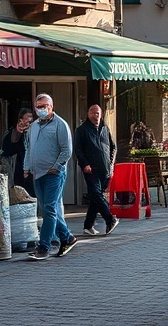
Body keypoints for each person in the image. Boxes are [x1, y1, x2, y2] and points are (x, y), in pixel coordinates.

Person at [23, 93, 78, 260]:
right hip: (37, 174)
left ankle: (44, 246)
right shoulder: (33, 127)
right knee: (48, 209)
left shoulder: (60, 125)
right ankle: (67, 238)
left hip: (54, 174)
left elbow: (66, 151)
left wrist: (56, 167)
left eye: (44, 106)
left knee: (49, 210)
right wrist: (26, 167)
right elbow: (29, 149)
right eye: (38, 106)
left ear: (51, 107)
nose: (41, 109)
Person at [74, 103, 119, 237]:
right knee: (96, 193)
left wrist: (111, 165)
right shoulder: (82, 130)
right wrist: (84, 164)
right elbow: (78, 150)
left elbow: (113, 147)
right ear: (88, 114)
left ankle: (88, 226)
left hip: (105, 168)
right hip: (91, 169)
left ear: (101, 114)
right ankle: (110, 219)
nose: (95, 115)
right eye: (92, 112)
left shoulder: (105, 128)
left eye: (97, 113)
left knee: (95, 198)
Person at [0, 106, 35, 197]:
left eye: (31, 117)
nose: (30, 120)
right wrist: (19, 134)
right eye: (27, 117)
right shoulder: (12, 134)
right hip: (17, 169)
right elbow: (7, 151)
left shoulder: (34, 132)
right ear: (20, 120)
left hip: (31, 169)